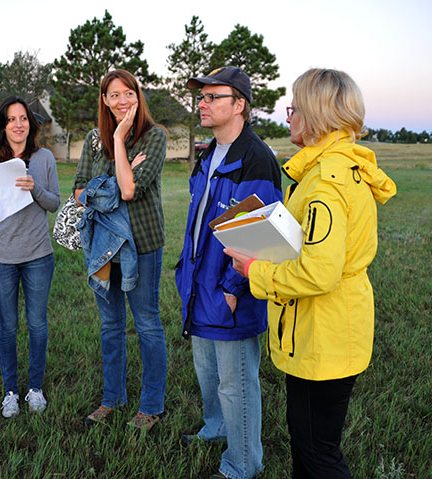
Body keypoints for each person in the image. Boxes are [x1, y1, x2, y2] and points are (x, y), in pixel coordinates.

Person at [224, 68, 397, 478]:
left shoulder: (326, 185)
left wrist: (255, 269)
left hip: (324, 335)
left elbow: (319, 272)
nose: (289, 118)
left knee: (318, 453)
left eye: (294, 108)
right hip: (326, 331)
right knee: (308, 446)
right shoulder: (335, 171)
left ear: (317, 115)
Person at [175, 66, 282, 479]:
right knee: (207, 372)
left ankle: (242, 464)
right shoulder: (208, 153)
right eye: (200, 97)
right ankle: (216, 429)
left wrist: (234, 288)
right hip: (198, 286)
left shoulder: (255, 158)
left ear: (240, 105)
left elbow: (258, 237)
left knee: (235, 383)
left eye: (211, 97)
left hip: (229, 291)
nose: (202, 104)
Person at [73, 69, 168, 432]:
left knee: (147, 324)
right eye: (114, 95)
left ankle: (151, 406)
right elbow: (80, 191)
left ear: (138, 95)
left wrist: (118, 142)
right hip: (102, 248)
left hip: (142, 243)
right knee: (111, 326)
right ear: (104, 100)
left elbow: (130, 192)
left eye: (128, 93)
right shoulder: (93, 138)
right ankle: (112, 398)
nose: (122, 100)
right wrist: (116, 170)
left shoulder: (154, 137)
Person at [0, 96, 60, 418]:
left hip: (39, 254)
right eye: (11, 119)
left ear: (31, 123)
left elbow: (54, 203)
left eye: (23, 118)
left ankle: (34, 388)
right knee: (7, 327)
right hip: (2, 257)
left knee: (37, 325)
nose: (18, 124)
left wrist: (35, 188)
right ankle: (11, 391)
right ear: (2, 126)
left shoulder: (45, 158)